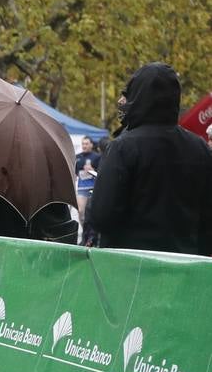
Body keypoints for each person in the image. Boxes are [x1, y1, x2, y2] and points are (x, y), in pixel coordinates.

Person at [89, 62, 212, 256]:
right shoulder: (201, 149)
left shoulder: (122, 148)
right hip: (186, 269)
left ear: (138, 97)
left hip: (131, 269)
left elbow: (101, 216)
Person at [74, 136, 101, 243]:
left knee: (90, 213)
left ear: (91, 145)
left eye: (86, 144)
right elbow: (76, 172)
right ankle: (85, 231)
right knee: (81, 212)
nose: (84, 146)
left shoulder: (97, 157)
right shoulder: (78, 157)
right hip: (81, 188)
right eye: (83, 144)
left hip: (93, 188)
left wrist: (93, 170)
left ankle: (91, 235)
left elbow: (101, 172)